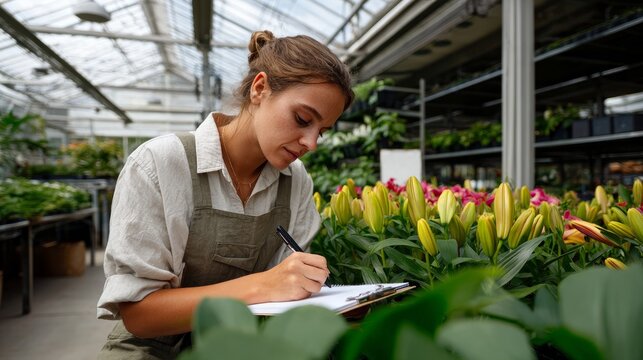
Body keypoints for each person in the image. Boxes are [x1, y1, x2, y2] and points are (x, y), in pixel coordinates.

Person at [97, 30, 354, 359]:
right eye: (303, 119)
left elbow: (288, 292)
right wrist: (265, 285)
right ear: (260, 88)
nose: (311, 142)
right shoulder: (159, 164)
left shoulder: (295, 180)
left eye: (322, 131)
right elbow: (139, 315)